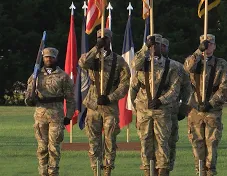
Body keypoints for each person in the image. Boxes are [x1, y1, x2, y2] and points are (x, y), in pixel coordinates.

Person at [78, 28, 131, 176]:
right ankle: (96, 170)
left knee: (110, 140)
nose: (103, 40)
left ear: (110, 40)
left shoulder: (118, 60)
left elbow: (125, 84)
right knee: (94, 141)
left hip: (110, 106)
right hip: (93, 105)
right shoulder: (92, 57)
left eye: (105, 38)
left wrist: (111, 97)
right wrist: (96, 48)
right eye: (100, 38)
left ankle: (107, 170)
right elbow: (82, 63)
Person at [130, 34, 182, 176]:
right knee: (145, 142)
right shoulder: (143, 64)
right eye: (152, 45)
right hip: (144, 110)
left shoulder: (171, 66)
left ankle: (163, 171)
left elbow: (175, 89)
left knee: (162, 143)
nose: (154, 48)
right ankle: (148, 171)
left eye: (157, 45)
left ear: (161, 46)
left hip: (162, 110)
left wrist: (161, 100)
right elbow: (134, 66)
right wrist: (145, 47)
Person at [184, 34, 227, 176]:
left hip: (212, 111)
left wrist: (211, 103)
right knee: (197, 145)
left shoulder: (221, 64)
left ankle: (210, 172)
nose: (207, 46)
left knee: (211, 146)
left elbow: (224, 87)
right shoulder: (194, 60)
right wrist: (199, 51)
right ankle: (199, 172)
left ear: (214, 46)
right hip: (195, 110)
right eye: (205, 43)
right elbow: (186, 69)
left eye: (210, 43)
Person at [25, 47, 75, 176]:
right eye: (47, 57)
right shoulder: (36, 75)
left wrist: (68, 116)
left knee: (54, 148)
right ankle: (43, 172)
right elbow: (29, 95)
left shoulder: (63, 76)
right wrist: (29, 100)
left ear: (56, 58)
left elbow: (70, 98)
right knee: (42, 147)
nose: (49, 59)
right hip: (41, 115)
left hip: (56, 116)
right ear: (43, 58)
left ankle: (53, 172)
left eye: (51, 57)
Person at [161, 37, 192, 173]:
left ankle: (166, 170)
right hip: (150, 113)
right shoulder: (146, 65)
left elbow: (187, 88)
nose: (161, 49)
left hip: (171, 112)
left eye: (164, 46)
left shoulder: (176, 67)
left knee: (170, 143)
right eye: (158, 46)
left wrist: (183, 109)